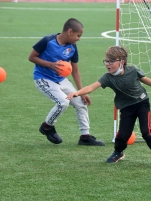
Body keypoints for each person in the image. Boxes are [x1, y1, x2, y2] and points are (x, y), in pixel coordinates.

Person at [66, 46, 151, 169]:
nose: (108, 64)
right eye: (106, 61)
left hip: (142, 103)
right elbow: (91, 87)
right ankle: (118, 152)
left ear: (121, 62)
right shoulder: (108, 77)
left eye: (111, 61)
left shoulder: (132, 70)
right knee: (122, 135)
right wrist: (77, 93)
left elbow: (144, 79)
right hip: (126, 107)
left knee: (147, 132)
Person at [28, 18, 105, 146]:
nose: (79, 38)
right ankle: (47, 126)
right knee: (63, 102)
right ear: (70, 32)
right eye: (78, 35)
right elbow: (31, 57)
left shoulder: (73, 47)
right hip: (43, 78)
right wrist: (50, 65)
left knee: (81, 102)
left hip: (61, 79)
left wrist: (81, 92)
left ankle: (85, 137)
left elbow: (75, 71)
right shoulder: (47, 41)